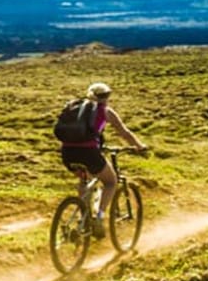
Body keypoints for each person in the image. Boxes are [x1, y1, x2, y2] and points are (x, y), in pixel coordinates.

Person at [59, 82, 149, 237]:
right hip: (89, 153)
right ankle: (99, 218)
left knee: (85, 179)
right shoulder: (105, 111)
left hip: (67, 152)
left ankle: (83, 217)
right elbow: (124, 133)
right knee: (110, 182)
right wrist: (139, 146)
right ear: (107, 96)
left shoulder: (75, 108)